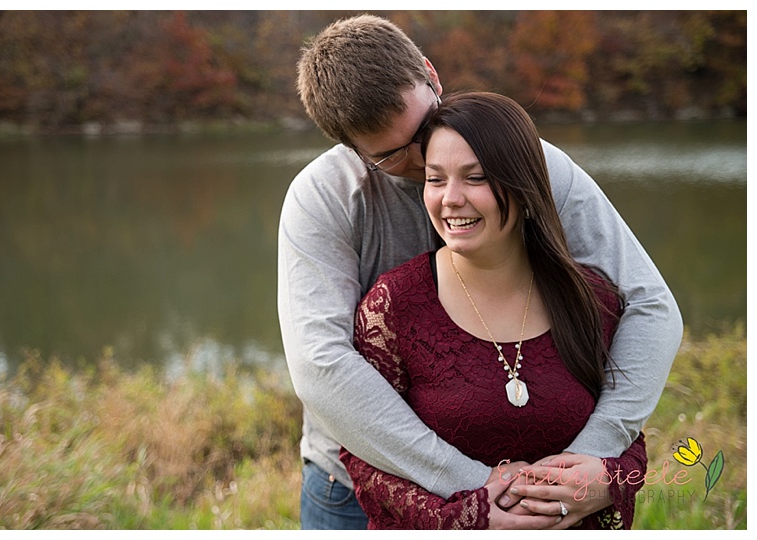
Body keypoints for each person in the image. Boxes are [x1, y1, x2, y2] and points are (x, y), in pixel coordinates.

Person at [277, 14, 682, 530]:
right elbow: (320, 365)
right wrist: (471, 489)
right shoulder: (325, 199)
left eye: (424, 128)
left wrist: (588, 461)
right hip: (358, 488)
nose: (427, 156)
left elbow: (650, 305)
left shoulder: (531, 165)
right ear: (351, 148)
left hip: (543, 491)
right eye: (393, 156)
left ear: (431, 74)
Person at [340, 91, 648, 529]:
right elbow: (365, 456)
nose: (450, 198)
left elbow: (629, 434)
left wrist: (607, 481)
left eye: (476, 177)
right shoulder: (393, 307)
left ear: (523, 184)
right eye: (435, 178)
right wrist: (476, 516)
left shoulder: (589, 298)